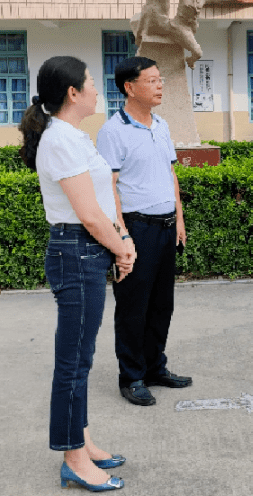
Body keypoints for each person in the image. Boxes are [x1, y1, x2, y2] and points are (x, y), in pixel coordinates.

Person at [19, 56, 136, 490]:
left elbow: (104, 201)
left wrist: (122, 238)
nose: (95, 87)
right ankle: (72, 456)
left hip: (89, 250)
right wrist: (121, 246)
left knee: (81, 359)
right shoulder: (61, 141)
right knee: (73, 362)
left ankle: (81, 441)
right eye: (89, 81)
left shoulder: (71, 135)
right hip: (78, 251)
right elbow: (88, 215)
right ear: (72, 93)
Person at [97, 57, 192, 407]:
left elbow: (171, 175)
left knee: (161, 305)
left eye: (160, 79)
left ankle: (155, 367)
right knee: (134, 307)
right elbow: (109, 187)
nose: (159, 85)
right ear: (129, 87)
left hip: (166, 227)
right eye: (151, 80)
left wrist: (179, 219)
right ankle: (132, 376)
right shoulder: (112, 131)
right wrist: (121, 236)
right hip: (136, 228)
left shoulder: (161, 124)